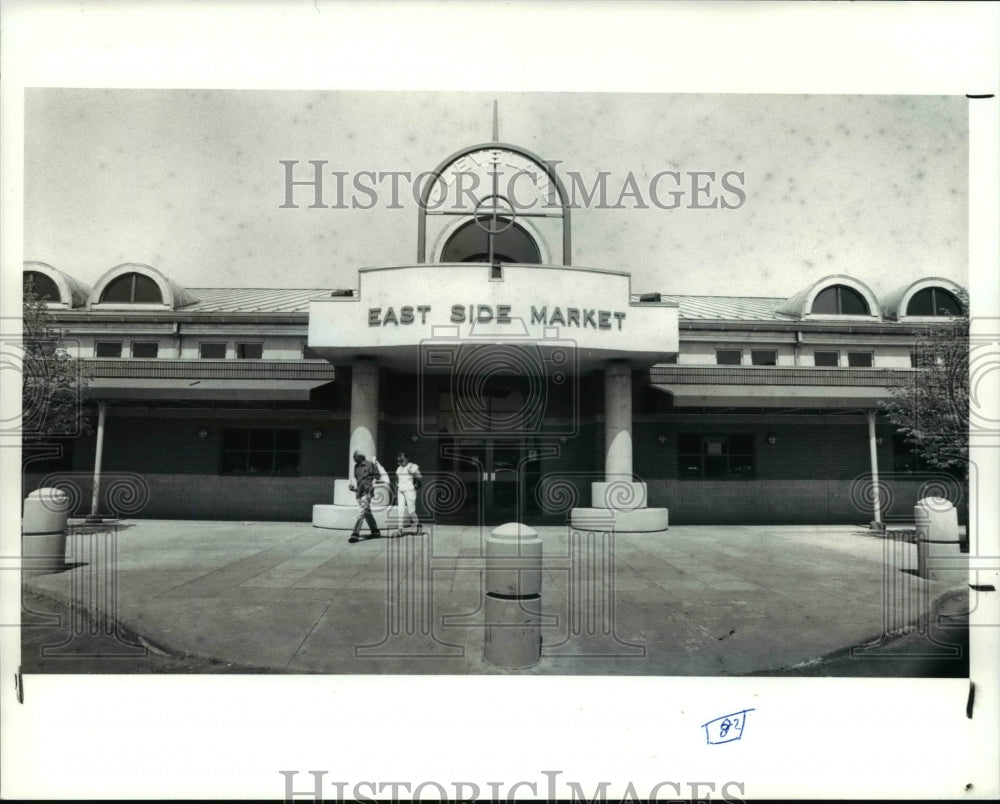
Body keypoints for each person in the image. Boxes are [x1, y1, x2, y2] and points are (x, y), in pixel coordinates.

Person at [348, 449, 388, 543]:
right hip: (359, 493)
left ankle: (355, 534)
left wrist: (375, 465)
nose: (353, 458)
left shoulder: (369, 465)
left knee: (361, 513)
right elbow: (358, 481)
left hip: (367, 492)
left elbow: (378, 477)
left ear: (360, 457)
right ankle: (375, 532)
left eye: (354, 456)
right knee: (367, 513)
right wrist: (353, 488)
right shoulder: (356, 466)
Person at [394, 452, 424, 536]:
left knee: (411, 510)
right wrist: (396, 491)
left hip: (409, 490)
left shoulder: (412, 466)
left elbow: (420, 477)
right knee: (400, 510)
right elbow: (397, 480)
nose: (401, 462)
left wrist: (413, 473)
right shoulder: (399, 468)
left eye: (402, 460)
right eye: (399, 461)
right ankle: (400, 530)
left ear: (407, 459)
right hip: (400, 490)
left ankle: (418, 525)